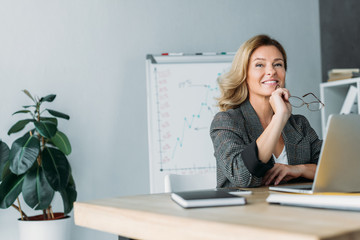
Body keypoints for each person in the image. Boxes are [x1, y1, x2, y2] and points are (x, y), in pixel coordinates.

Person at [210, 34, 322, 188]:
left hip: (294, 210)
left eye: (278, 64)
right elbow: (242, 176)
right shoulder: (226, 121)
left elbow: (333, 168)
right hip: (244, 210)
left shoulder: (299, 124)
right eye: (259, 65)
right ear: (244, 74)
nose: (271, 71)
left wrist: (299, 170)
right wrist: (280, 117)